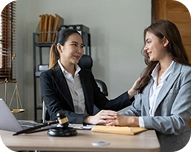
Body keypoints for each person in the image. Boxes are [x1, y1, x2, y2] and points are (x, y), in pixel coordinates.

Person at [105, 20, 191, 152]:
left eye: (149, 41)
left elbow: (178, 122)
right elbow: (136, 110)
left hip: (173, 148)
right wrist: (112, 119)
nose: (145, 48)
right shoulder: (149, 75)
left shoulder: (186, 74)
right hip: (145, 145)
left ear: (165, 41)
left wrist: (133, 121)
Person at [40, 28, 139, 125]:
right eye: (74, 45)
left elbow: (105, 105)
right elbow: (55, 113)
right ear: (60, 48)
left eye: (81, 46)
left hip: (87, 130)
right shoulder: (47, 77)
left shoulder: (86, 75)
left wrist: (131, 92)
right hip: (63, 130)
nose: (80, 51)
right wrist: (88, 119)